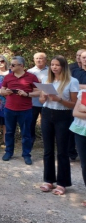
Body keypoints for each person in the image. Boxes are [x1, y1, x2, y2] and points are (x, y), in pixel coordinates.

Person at [38, 56, 78, 196]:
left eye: (57, 65)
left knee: (62, 151)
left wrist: (59, 99)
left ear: (63, 67)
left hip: (64, 116)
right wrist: (43, 97)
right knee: (48, 150)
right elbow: (41, 99)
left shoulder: (72, 82)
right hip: (47, 114)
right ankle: (48, 180)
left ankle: (62, 183)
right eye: (52, 65)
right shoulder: (46, 80)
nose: (54, 67)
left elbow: (74, 104)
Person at [0, 56, 40, 165]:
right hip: (9, 109)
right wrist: (5, 92)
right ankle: (8, 152)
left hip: (25, 110)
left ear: (21, 66)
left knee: (26, 133)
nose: (10, 66)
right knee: (9, 132)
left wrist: (27, 94)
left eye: (13, 65)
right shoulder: (8, 77)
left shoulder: (31, 77)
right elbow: (2, 90)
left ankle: (26, 155)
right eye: (10, 64)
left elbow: (38, 92)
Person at [27, 53, 49, 147]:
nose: (39, 60)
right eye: (36, 58)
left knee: (46, 124)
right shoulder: (29, 71)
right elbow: (27, 86)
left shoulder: (51, 71)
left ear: (45, 60)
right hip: (33, 102)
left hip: (46, 102)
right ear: (34, 60)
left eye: (41, 58)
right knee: (30, 123)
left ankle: (47, 141)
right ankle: (31, 140)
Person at [71, 88, 86, 207]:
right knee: (85, 165)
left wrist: (84, 109)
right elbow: (75, 113)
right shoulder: (83, 92)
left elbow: (81, 110)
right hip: (81, 131)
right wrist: (81, 110)